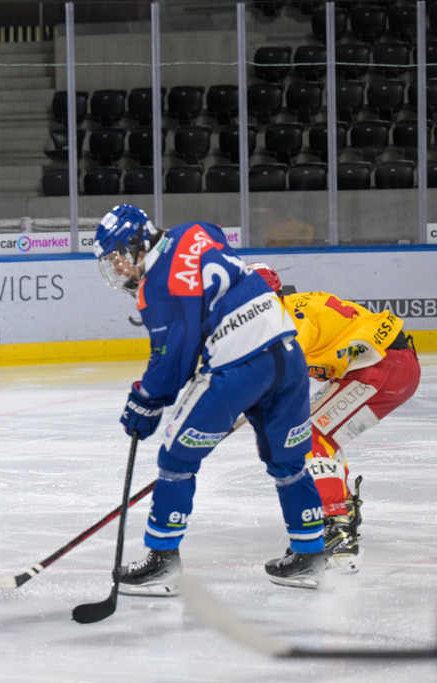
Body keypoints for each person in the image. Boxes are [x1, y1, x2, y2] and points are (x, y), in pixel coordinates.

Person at [91, 204, 326, 593]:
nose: (117, 268)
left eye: (117, 256)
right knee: (288, 462)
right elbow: (215, 238)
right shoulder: (195, 229)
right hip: (288, 355)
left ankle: (162, 561)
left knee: (175, 459)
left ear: (135, 244)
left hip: (239, 367)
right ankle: (310, 555)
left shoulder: (156, 288)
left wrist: (145, 401)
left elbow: (175, 362)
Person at [249, 263, 421, 570]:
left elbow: (276, 380)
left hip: (382, 368)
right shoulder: (288, 311)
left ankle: (334, 524)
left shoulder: (282, 323)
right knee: (319, 431)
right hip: (387, 366)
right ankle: (344, 510)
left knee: (309, 433)